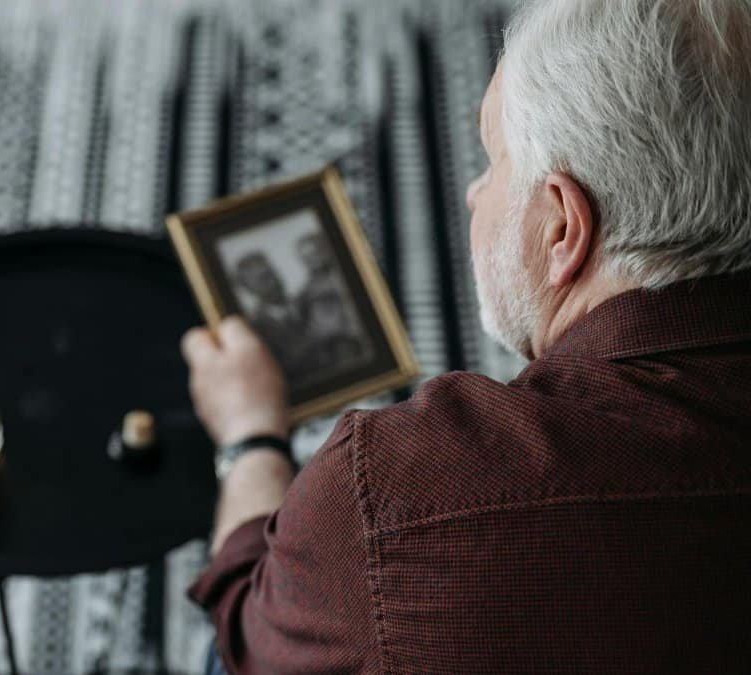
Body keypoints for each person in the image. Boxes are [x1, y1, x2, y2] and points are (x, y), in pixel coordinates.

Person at [181, 1, 751, 672]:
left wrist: (251, 437)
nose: (474, 193)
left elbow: (247, 637)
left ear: (563, 228)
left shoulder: (392, 489)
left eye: (492, 158)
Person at [294, 232, 368, 370]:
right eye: (306, 257)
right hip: (342, 346)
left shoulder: (357, 271)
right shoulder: (306, 295)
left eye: (316, 252)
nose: (313, 259)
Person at [230, 252, 307, 378]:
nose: (274, 281)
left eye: (273, 273)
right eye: (264, 278)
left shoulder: (307, 300)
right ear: (249, 289)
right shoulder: (254, 329)